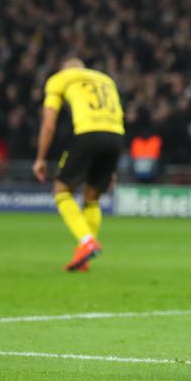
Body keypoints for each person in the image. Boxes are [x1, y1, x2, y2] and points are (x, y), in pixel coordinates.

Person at [32, 58, 124, 272]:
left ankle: (87, 241)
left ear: (66, 69)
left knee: (61, 192)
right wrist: (112, 167)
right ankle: (84, 257)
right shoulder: (106, 80)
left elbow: (48, 124)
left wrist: (40, 158)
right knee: (92, 198)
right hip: (116, 136)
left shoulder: (59, 79)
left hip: (88, 133)